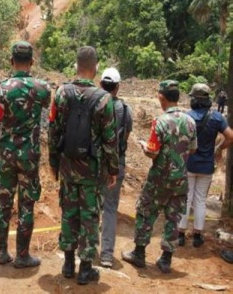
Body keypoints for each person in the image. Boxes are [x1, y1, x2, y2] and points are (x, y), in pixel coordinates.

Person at [49, 46, 119, 285]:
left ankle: (68, 264)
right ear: (95, 67)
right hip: (93, 171)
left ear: (76, 65)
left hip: (68, 168)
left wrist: (53, 163)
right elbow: (110, 139)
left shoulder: (61, 93)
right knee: (90, 217)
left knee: (69, 214)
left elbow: (53, 131)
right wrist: (113, 169)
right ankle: (86, 268)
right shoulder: (104, 99)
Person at [0, 41, 51, 268]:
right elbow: (47, 109)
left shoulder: (3, 89)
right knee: (27, 205)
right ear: (31, 62)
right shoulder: (42, 88)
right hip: (29, 156)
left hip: (8, 155)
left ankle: (2, 253)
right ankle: (22, 256)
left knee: (4, 202)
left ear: (11, 61)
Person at [122, 80, 197, 274]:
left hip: (159, 179)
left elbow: (153, 152)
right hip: (180, 178)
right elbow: (193, 148)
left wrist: (143, 146)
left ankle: (139, 253)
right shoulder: (190, 121)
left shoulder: (160, 121)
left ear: (161, 97)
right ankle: (166, 259)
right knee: (173, 217)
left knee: (146, 212)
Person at [178, 84, 233, 247]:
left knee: (186, 199)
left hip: (188, 164)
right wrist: (218, 148)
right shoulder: (217, 117)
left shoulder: (187, 117)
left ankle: (180, 234)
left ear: (194, 99)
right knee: (200, 200)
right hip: (207, 165)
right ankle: (197, 236)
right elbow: (230, 137)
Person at [98, 68, 133, 269]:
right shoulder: (125, 110)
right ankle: (107, 256)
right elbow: (125, 137)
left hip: (95, 164)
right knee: (110, 208)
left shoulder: (94, 104)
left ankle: (85, 249)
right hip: (116, 164)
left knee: (92, 206)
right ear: (118, 87)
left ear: (101, 84)